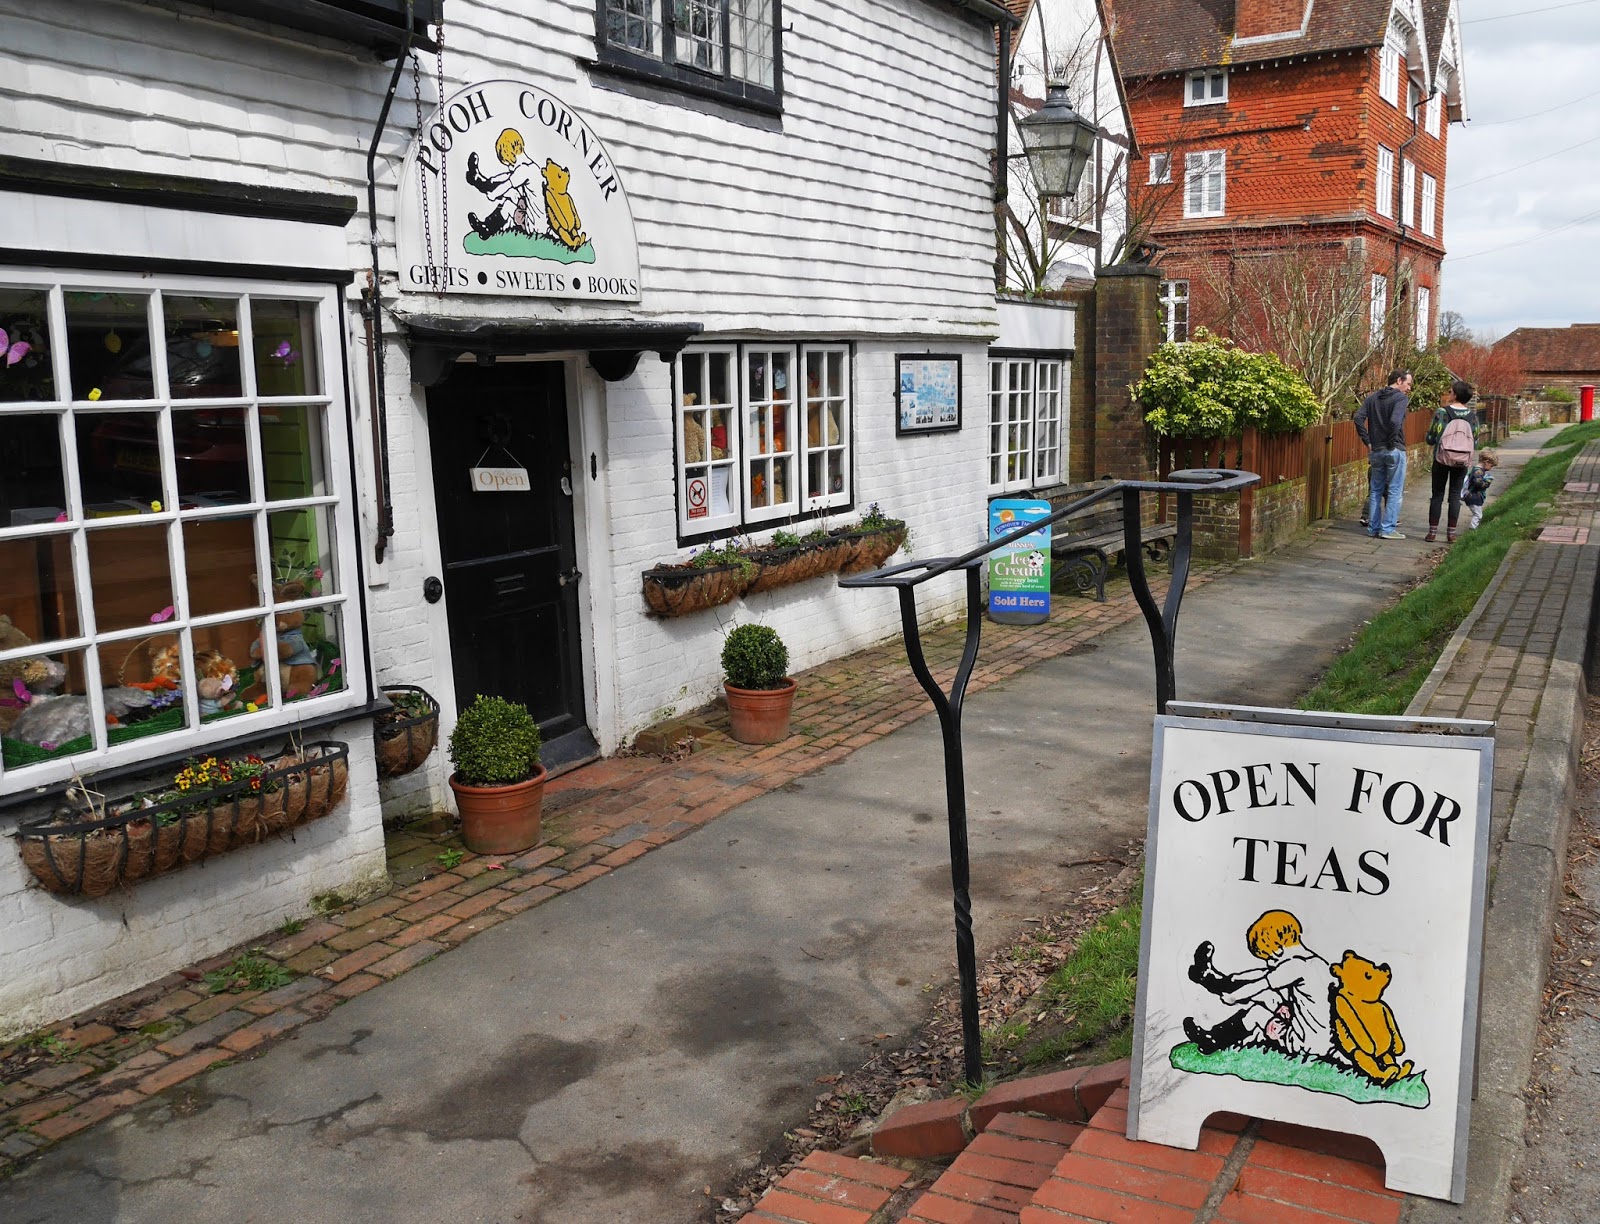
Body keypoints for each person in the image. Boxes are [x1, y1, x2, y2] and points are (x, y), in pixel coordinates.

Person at [1182, 910, 1332, 1058]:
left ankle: (1213, 1040)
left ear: (1278, 950)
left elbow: (1261, 984)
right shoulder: (1317, 964)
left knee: (1257, 1012)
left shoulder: (1295, 966)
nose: (1269, 963)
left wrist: (1233, 997)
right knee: (1269, 994)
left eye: (1269, 957)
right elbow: (1265, 974)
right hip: (1328, 1043)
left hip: (1306, 1044)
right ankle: (1211, 979)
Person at [1354, 370, 1414, 539]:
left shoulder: (1372, 398)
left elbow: (1358, 418)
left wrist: (1368, 442)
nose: (1409, 388)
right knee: (1395, 490)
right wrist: (1391, 442)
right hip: (1394, 449)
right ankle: (1387, 529)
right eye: (1408, 384)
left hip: (1376, 451)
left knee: (1375, 490)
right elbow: (1395, 421)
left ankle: (1373, 528)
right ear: (1399, 380)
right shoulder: (1400, 398)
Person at [1424, 379, 1480, 544]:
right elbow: (1475, 441)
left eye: (1450, 391)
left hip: (1441, 459)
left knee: (1437, 495)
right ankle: (1451, 534)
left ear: (1455, 395)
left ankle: (1432, 533)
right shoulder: (1472, 417)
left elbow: (1431, 437)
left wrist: (1434, 440)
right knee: (1455, 495)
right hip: (1461, 462)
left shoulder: (1442, 412)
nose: (1449, 394)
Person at [1463, 451, 1498, 529]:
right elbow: (1478, 483)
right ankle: (1472, 529)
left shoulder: (1477, 470)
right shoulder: (1478, 471)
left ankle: (1473, 528)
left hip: (1473, 496)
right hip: (1474, 497)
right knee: (1478, 515)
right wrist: (1487, 482)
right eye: (1491, 466)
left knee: (1477, 514)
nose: (1490, 468)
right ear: (1487, 462)